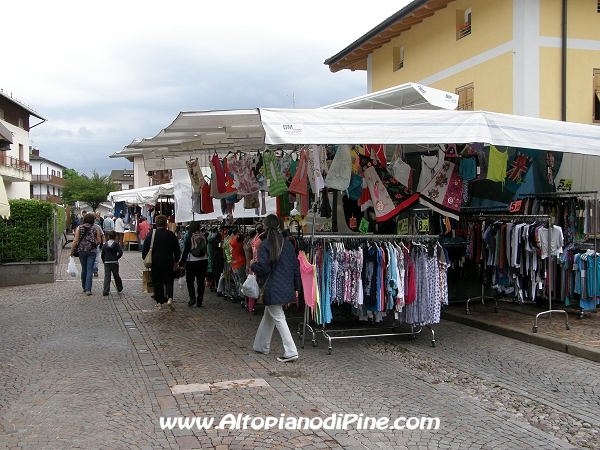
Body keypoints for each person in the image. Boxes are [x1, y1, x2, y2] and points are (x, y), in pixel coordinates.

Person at [250, 214, 300, 363]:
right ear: (279, 226)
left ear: (265, 227)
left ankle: (291, 351)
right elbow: (295, 267)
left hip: (271, 286)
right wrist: (296, 286)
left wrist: (253, 264)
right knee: (270, 315)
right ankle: (261, 345)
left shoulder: (265, 245)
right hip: (285, 285)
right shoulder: (288, 244)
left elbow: (264, 267)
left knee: (278, 317)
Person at [142, 214, 181, 310]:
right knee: (168, 280)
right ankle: (170, 298)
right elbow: (177, 249)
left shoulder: (151, 234)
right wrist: (176, 261)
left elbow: (145, 249)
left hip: (155, 262)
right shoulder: (171, 234)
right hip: (168, 261)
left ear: (156, 223)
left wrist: (145, 258)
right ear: (165, 223)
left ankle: (159, 302)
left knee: (157, 281)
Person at [70, 213, 102, 296]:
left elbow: (75, 240)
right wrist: (94, 244)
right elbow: (99, 240)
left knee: (84, 268)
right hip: (92, 251)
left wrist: (71, 250)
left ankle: (84, 287)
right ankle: (88, 289)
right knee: (90, 269)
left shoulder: (79, 227)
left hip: (81, 250)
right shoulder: (96, 228)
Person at [178, 221, 208, 307]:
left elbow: (186, 251)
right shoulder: (205, 236)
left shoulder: (189, 237)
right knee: (201, 281)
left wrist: (181, 262)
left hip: (192, 261)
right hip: (203, 260)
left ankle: (192, 298)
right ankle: (200, 300)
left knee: (190, 280)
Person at [101, 230, 123, 296]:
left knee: (107, 276)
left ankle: (105, 290)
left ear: (108, 236)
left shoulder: (105, 245)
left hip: (107, 262)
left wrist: (104, 261)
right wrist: (117, 257)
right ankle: (119, 287)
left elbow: (103, 254)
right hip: (114, 262)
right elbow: (121, 252)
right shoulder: (116, 244)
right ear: (116, 237)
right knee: (116, 275)